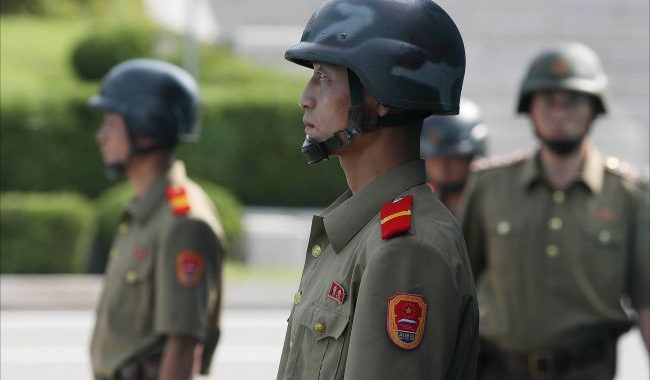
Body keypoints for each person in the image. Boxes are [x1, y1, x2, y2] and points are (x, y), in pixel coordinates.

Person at [276, 0, 478, 379]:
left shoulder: (405, 247)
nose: (305, 96)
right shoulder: (359, 230)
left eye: (323, 75)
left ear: (382, 95)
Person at [459, 43, 650, 380]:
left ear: (593, 110)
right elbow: (458, 288)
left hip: (588, 370)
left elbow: (647, 301)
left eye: (573, 102)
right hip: (497, 370)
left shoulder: (629, 195)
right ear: (529, 109)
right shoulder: (488, 187)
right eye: (548, 102)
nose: (560, 113)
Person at [88, 59, 226, 380]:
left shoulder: (184, 222)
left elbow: (183, 345)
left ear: (147, 129)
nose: (101, 135)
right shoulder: (145, 211)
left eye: (112, 121)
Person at [420, 98, 488, 214]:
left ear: (471, 158)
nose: (442, 169)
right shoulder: (420, 207)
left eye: (452, 159)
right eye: (434, 160)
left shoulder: (493, 206)